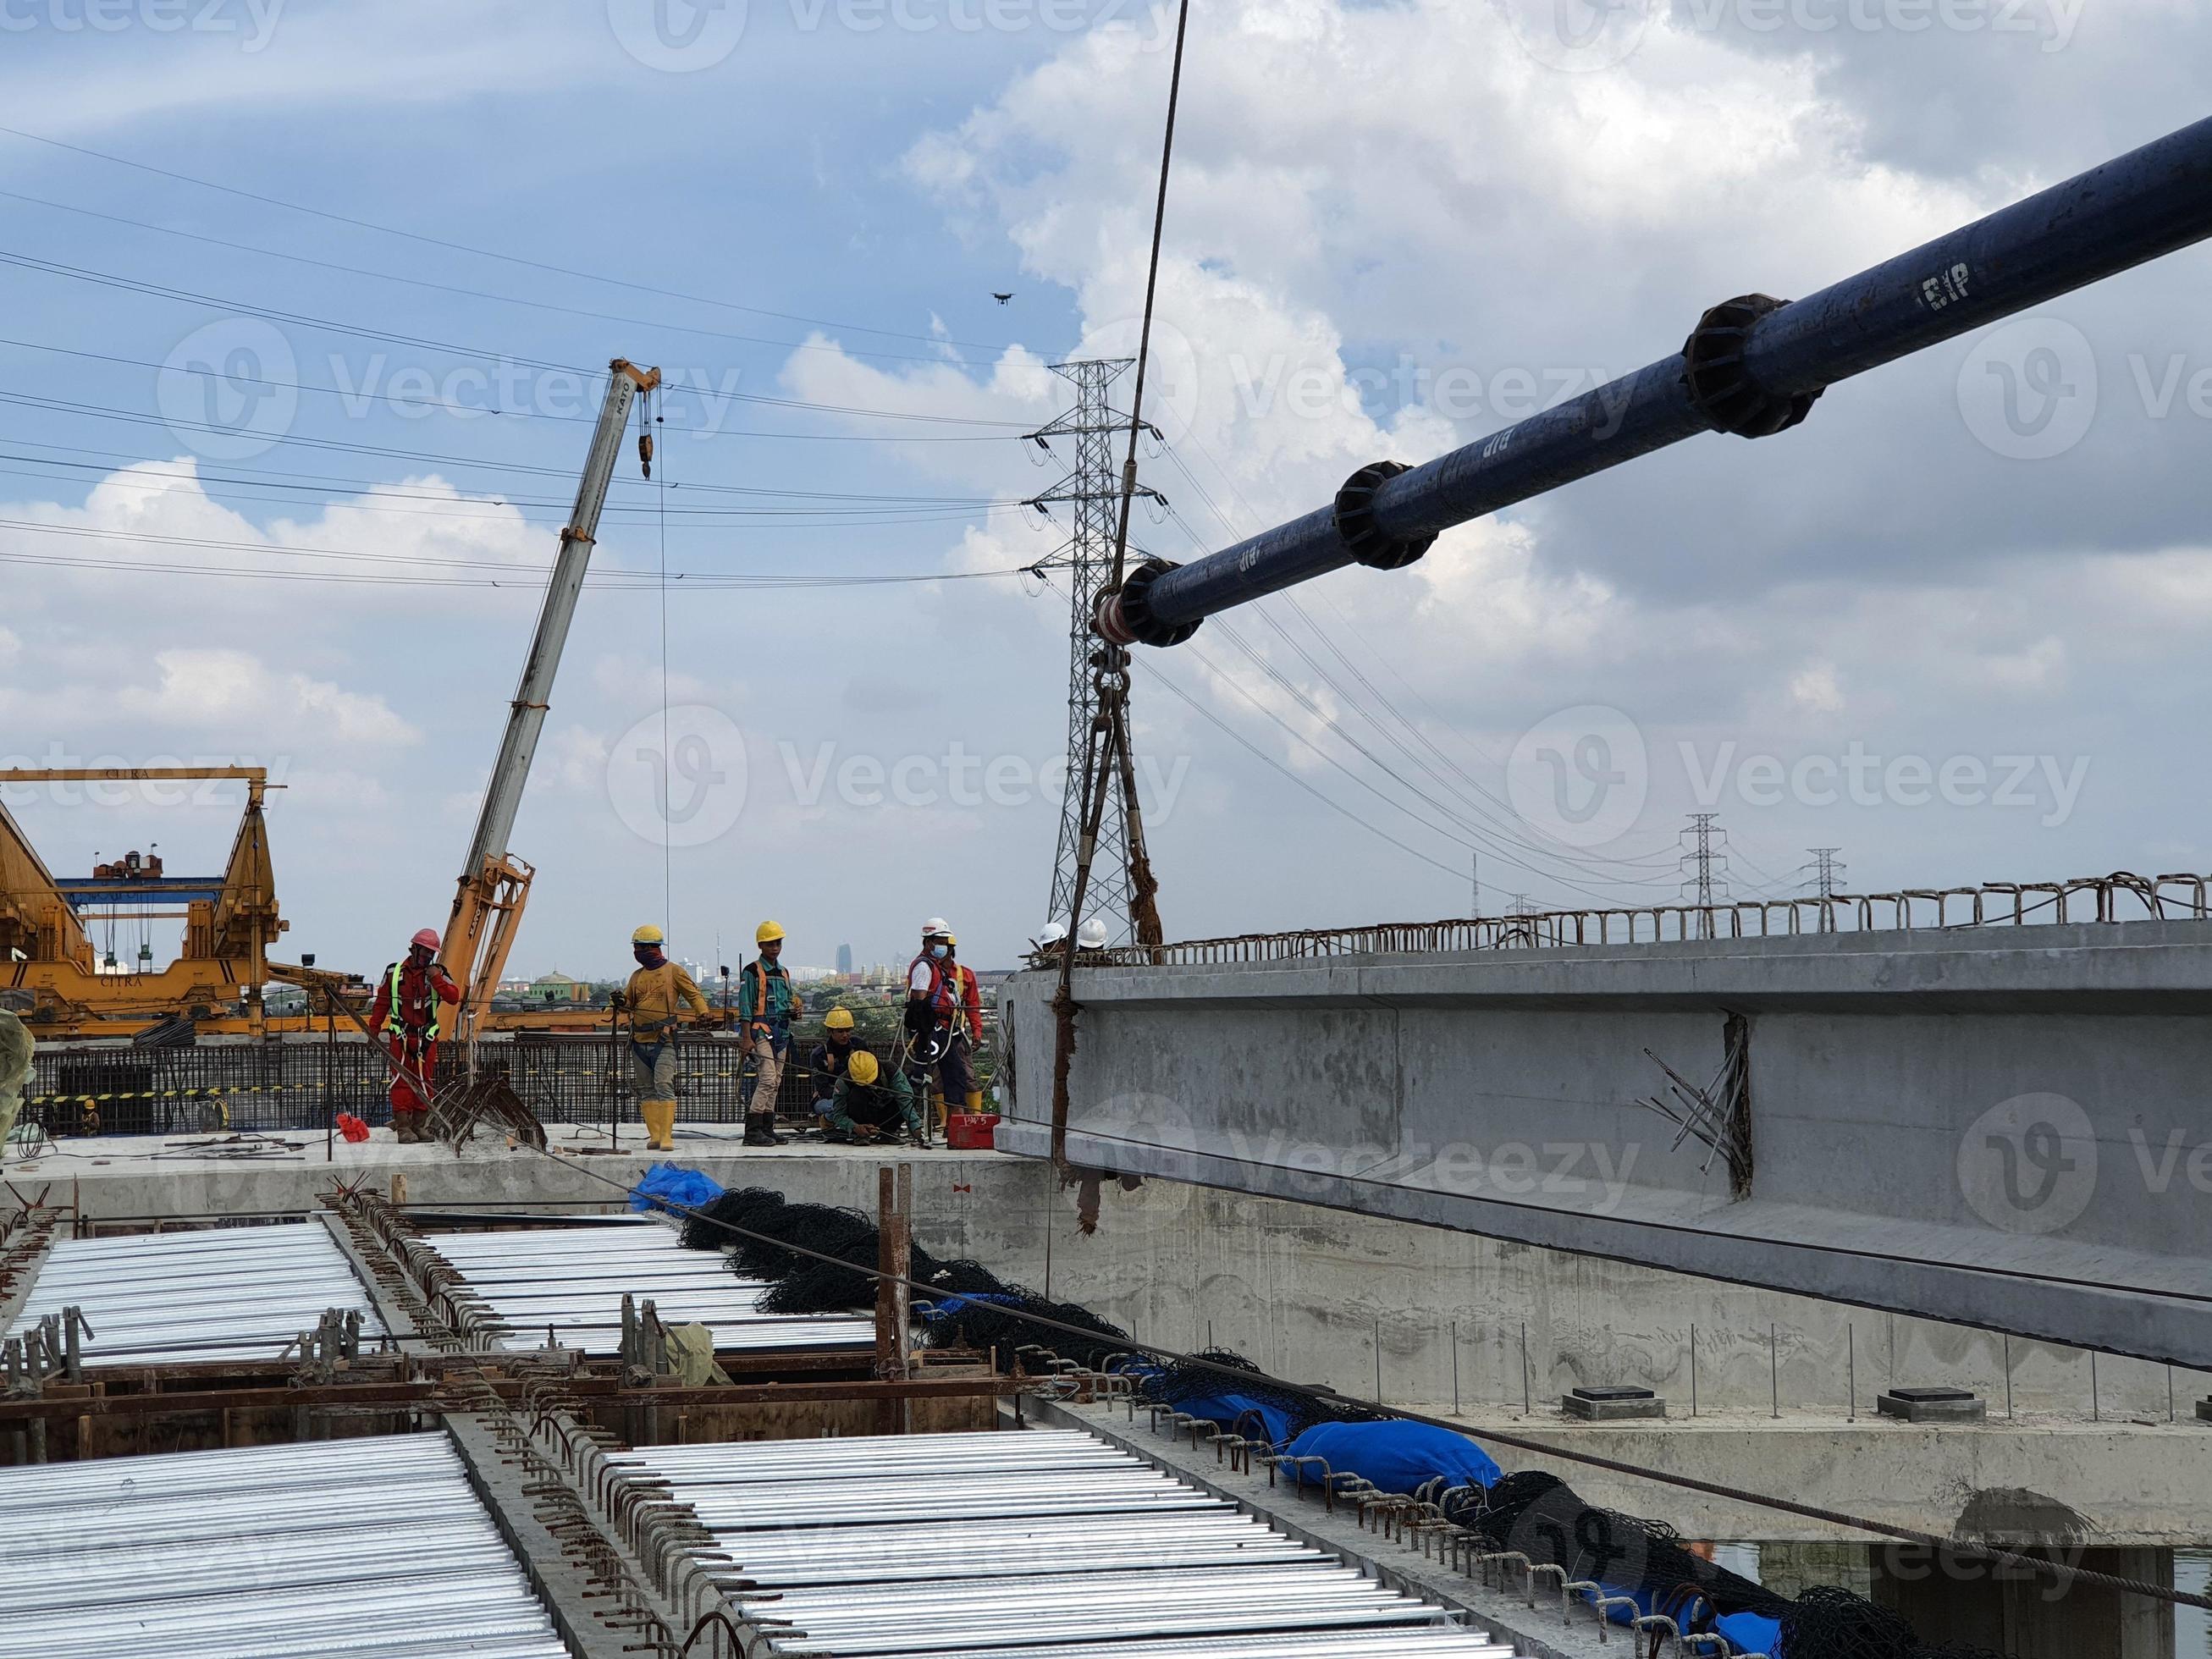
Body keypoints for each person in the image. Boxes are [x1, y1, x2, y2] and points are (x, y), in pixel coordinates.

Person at [614, 923, 710, 1153]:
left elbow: (693, 994)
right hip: (638, 1040)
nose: (637, 953)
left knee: (663, 1084)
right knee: (646, 1088)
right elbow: (629, 1004)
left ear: (652, 948)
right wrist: (619, 1002)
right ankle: (655, 1135)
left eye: (640, 948)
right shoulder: (637, 976)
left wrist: (704, 1013)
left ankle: (666, 1136)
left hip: (663, 1039)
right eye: (636, 948)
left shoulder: (673, 971)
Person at [369, 928, 461, 1144]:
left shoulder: (438, 974)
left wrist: (437, 978)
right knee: (401, 1081)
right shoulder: (394, 973)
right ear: (414, 948)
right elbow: (381, 1003)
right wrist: (373, 1031)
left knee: (424, 1081)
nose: (429, 957)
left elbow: (454, 997)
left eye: (432, 953)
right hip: (400, 1036)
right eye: (426, 952)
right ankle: (403, 1128)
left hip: (426, 1038)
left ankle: (419, 1126)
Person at [905, 918, 984, 1127]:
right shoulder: (924, 966)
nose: (943, 946)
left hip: (946, 1030)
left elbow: (972, 1004)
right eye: (940, 941)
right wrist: (927, 1030)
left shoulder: (942, 968)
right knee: (920, 1076)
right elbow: (919, 1001)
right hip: (933, 1030)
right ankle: (898, 1115)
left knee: (955, 1074)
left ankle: (955, 1127)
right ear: (929, 942)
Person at [737, 920, 803, 1148]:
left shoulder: (783, 972)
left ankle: (767, 1128)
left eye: (777, 943)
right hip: (761, 1031)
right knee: (766, 1079)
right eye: (770, 943)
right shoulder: (753, 971)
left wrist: (794, 1012)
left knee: (775, 1081)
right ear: (761, 945)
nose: (775, 947)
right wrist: (746, 1038)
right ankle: (753, 1130)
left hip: (782, 1031)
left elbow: (787, 1003)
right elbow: (745, 1007)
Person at [825, 1048, 920, 1144]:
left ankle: (888, 1133)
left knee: (911, 1095)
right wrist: (854, 1127)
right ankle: (861, 1135)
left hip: (885, 1113)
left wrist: (915, 1126)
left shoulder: (890, 1070)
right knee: (856, 1095)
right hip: (861, 1115)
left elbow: (905, 1098)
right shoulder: (843, 1082)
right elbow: (839, 1115)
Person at [807, 1005, 861, 1131]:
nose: (845, 1035)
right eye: (840, 1031)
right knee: (840, 1107)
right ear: (830, 1031)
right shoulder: (819, 1055)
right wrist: (847, 1097)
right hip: (826, 1099)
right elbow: (823, 1089)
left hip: (856, 1096)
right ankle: (827, 1120)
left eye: (848, 1031)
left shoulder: (858, 1046)